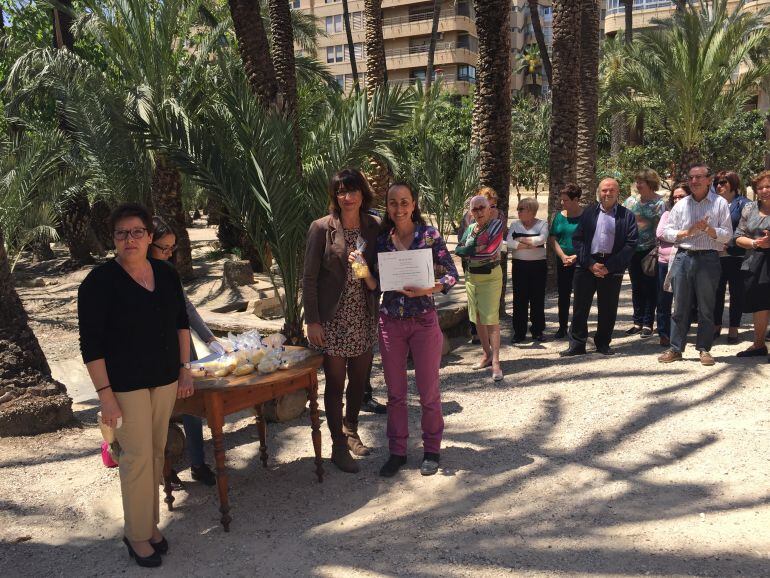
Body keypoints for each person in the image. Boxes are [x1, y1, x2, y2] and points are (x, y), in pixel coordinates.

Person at [78, 203, 193, 568]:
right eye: (121, 233)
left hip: (164, 379)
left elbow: (180, 323)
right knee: (136, 459)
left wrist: (185, 369)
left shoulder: (165, 273)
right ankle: (136, 534)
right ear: (113, 239)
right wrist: (105, 397)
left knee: (157, 453)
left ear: (149, 236)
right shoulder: (98, 283)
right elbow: (91, 346)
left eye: (137, 232)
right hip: (125, 387)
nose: (130, 239)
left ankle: (150, 525)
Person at [362, 182, 458, 478]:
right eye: (393, 202)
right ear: (387, 206)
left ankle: (432, 450)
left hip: (423, 321)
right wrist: (364, 273)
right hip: (391, 322)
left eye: (405, 202)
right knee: (395, 393)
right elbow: (377, 284)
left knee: (429, 392)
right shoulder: (381, 240)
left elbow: (452, 274)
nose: (399, 208)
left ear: (414, 204)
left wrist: (432, 287)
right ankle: (398, 452)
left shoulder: (429, 236)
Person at [303, 169, 381, 473]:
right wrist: (313, 321)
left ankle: (351, 430)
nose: (346, 198)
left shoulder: (373, 228)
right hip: (333, 320)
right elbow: (309, 279)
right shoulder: (321, 228)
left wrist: (367, 274)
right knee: (335, 383)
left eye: (351, 191)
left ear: (362, 194)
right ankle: (337, 444)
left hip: (363, 314)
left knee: (359, 381)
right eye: (340, 192)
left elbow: (380, 270)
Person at [148, 217, 220, 487]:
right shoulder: (133, 275)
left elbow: (185, 307)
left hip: (181, 347)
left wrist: (210, 338)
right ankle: (164, 469)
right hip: (153, 353)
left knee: (192, 405)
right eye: (163, 248)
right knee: (159, 412)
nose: (168, 254)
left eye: (172, 249)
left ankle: (198, 463)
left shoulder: (169, 272)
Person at [659, 163, 733, 366]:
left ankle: (704, 349)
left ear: (709, 180)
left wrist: (709, 230)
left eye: (699, 177)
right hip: (683, 257)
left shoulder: (719, 204)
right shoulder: (681, 205)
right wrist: (687, 232)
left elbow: (728, 234)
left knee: (706, 307)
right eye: (691, 177)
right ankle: (675, 348)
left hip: (709, 258)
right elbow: (666, 232)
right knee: (680, 305)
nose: (694, 181)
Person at [561, 178, 638, 357]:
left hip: (612, 266)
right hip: (587, 265)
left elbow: (631, 244)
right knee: (580, 306)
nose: (607, 193)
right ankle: (577, 344)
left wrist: (608, 267)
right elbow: (577, 239)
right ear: (599, 192)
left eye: (611, 190)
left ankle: (603, 343)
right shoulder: (588, 213)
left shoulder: (627, 216)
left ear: (618, 192)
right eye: (604, 190)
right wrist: (590, 264)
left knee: (608, 308)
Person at [455, 194, 504, 381]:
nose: (479, 212)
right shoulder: (470, 228)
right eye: (474, 209)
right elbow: (459, 250)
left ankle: (497, 363)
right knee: (477, 317)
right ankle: (486, 354)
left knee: (491, 318)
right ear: (471, 212)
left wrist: (470, 249)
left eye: (482, 207)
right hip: (471, 277)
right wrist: (477, 247)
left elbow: (491, 250)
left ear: (490, 209)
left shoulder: (496, 225)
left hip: (489, 276)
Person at [458, 187, 508, 344]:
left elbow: (492, 247)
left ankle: (493, 355)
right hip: (471, 268)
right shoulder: (469, 218)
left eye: (492, 206)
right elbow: (460, 247)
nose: (489, 210)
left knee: (490, 312)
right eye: (477, 208)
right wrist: (477, 248)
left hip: (491, 268)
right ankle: (477, 335)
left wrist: (474, 248)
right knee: (476, 310)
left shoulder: (499, 218)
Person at [623, 169, 666, 338]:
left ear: (650, 184)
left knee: (650, 287)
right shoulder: (630, 201)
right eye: (637, 182)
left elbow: (663, 226)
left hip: (651, 251)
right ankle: (637, 321)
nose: (638, 185)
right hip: (633, 249)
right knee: (636, 287)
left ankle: (648, 323)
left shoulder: (659, 203)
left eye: (641, 182)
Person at [733, 170, 770, 361]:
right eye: (760, 187)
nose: (764, 190)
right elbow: (737, 236)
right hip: (756, 261)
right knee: (760, 304)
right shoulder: (749, 208)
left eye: (768, 186)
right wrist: (756, 243)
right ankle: (758, 344)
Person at [713, 171, 749, 343]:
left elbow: (748, 228)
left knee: (736, 293)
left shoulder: (744, 204)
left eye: (723, 182)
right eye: (717, 183)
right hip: (715, 256)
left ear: (733, 183)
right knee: (716, 292)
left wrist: (731, 243)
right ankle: (716, 326)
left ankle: (734, 328)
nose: (719, 185)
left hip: (736, 256)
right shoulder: (713, 203)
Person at [507, 197, 549, 343]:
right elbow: (509, 242)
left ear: (531, 211)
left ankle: (537, 331)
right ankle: (519, 332)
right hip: (519, 265)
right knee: (519, 299)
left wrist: (520, 239)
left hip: (538, 266)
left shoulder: (542, 224)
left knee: (537, 298)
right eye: (518, 209)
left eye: (521, 209)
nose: (518, 211)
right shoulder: (514, 224)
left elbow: (541, 240)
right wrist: (528, 243)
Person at [655, 184, 691, 347]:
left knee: (684, 300)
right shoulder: (667, 214)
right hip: (665, 262)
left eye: (681, 196)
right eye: (675, 197)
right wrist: (684, 235)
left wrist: (675, 235)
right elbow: (660, 234)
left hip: (686, 260)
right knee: (664, 300)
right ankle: (664, 333)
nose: (677, 199)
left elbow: (697, 236)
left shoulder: (693, 214)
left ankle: (681, 332)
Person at [549, 183, 584, 339]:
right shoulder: (559, 217)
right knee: (563, 295)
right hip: (562, 261)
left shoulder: (586, 216)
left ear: (576, 199)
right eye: (561, 200)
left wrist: (576, 256)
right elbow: (553, 238)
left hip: (580, 261)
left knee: (580, 295)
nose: (562, 203)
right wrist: (563, 256)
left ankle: (577, 328)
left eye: (566, 200)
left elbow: (589, 239)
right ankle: (562, 327)